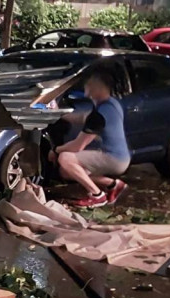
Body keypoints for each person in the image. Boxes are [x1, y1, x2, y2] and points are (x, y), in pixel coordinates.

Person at [47, 69, 130, 208]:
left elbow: (77, 146)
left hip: (113, 158)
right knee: (66, 172)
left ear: (98, 86)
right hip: (121, 157)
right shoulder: (111, 104)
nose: (85, 86)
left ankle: (97, 195)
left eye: (88, 83)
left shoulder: (99, 115)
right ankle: (113, 185)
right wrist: (57, 113)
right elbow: (82, 118)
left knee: (65, 158)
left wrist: (55, 150)